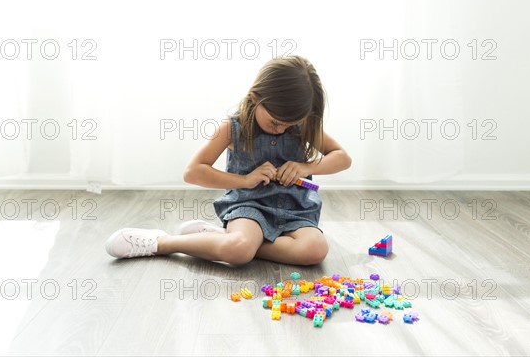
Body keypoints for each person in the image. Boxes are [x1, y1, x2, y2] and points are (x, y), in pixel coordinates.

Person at [105, 56, 352, 265]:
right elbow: (193, 172)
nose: (281, 129)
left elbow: (342, 158)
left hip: (297, 210)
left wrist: (303, 167)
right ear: (255, 98)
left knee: (315, 250)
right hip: (250, 206)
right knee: (239, 252)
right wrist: (245, 180)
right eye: (276, 122)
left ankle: (219, 239)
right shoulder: (233, 128)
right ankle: (161, 243)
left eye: (290, 124)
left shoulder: (303, 123)